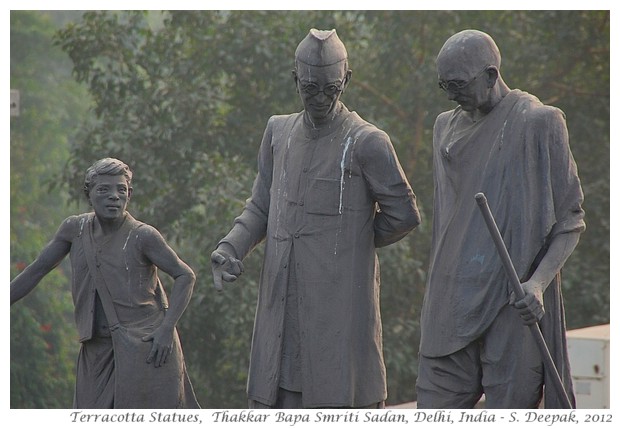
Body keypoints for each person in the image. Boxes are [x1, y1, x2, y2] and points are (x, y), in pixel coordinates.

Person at [211, 28, 420, 408]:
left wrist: (351, 240)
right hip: (281, 309)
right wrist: (231, 247)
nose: (321, 98)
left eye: (331, 89)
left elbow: (404, 215)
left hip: (338, 319)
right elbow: (261, 206)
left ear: (346, 81)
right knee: (277, 395)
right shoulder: (278, 132)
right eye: (310, 89)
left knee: (338, 398)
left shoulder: (368, 142)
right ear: (295, 81)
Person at [417, 29, 586, 409]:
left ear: (491, 75)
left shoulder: (539, 123)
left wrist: (538, 284)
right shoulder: (444, 126)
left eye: (458, 84)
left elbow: (570, 221)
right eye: (444, 85)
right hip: (450, 298)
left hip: (510, 301)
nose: (450, 95)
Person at [10, 158, 200, 409]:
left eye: (121, 190)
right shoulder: (74, 229)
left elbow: (185, 276)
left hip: (145, 349)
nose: (114, 196)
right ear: (89, 194)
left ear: (129, 194)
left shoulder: (143, 235)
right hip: (96, 351)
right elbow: (37, 270)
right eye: (104, 190)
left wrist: (166, 330)